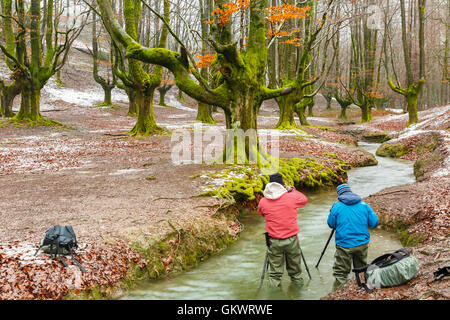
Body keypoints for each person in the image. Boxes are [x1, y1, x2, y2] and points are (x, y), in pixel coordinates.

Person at [257, 173, 308, 288]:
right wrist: (292, 190)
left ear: (269, 185)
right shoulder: (291, 197)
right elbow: (304, 200)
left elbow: (261, 213)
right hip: (292, 239)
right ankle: (299, 292)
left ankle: (274, 295)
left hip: (273, 241)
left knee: (274, 274)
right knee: (296, 272)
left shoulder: (263, 201)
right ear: (282, 185)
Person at [327, 183, 379, 290]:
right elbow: (374, 223)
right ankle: (362, 287)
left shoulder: (336, 206)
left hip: (344, 245)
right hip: (362, 243)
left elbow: (331, 224)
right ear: (351, 192)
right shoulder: (364, 205)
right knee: (361, 269)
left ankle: (340, 291)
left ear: (339, 195)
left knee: (341, 272)